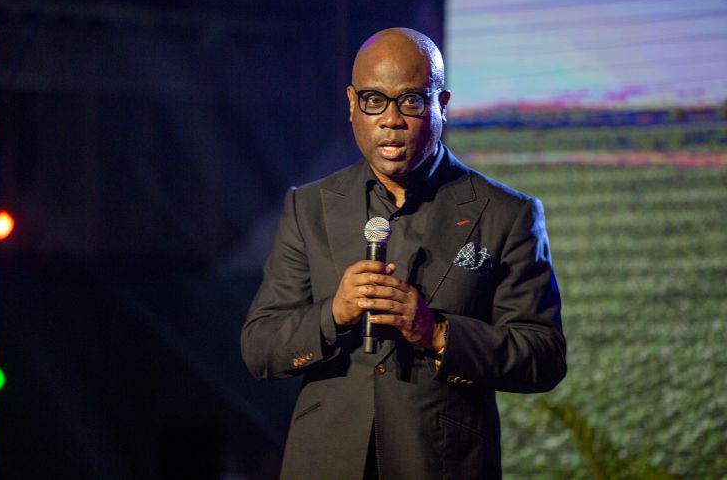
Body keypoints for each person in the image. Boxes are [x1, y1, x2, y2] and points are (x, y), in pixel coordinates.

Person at [240, 28, 566, 479]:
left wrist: (436, 333)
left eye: (411, 101)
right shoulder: (310, 206)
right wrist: (333, 313)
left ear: (442, 106)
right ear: (352, 105)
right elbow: (260, 347)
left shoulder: (506, 213)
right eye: (374, 100)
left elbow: (543, 355)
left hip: (440, 463)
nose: (391, 119)